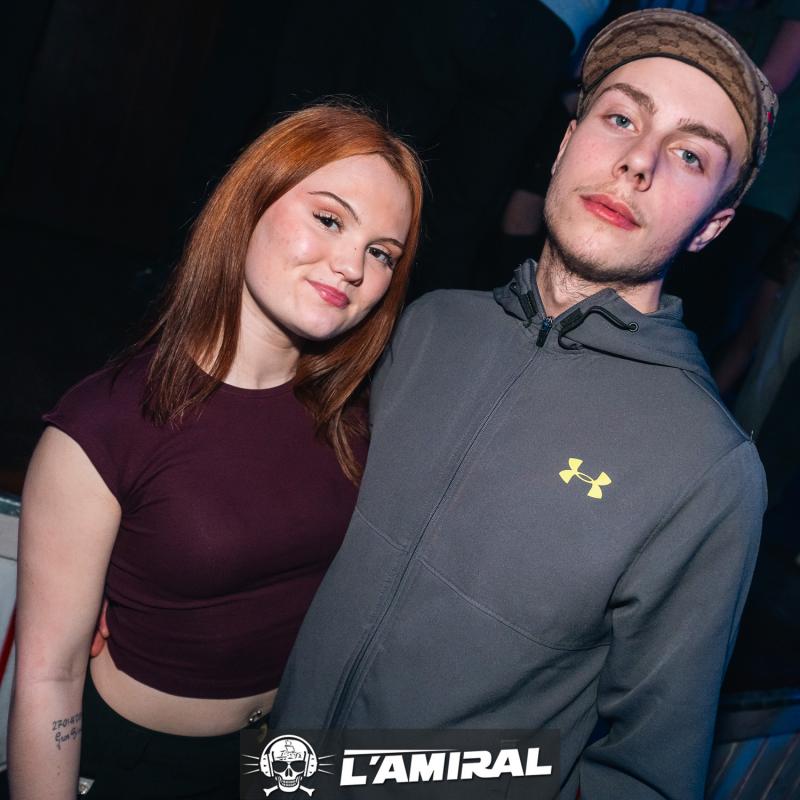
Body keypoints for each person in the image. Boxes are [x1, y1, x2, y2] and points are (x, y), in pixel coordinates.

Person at [270, 11, 776, 798]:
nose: (637, 162)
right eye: (620, 119)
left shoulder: (707, 470)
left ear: (713, 225)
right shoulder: (427, 325)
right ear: (565, 143)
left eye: (688, 154)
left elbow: (646, 776)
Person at [8, 103, 423, 800]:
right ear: (250, 204)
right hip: (137, 768)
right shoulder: (108, 422)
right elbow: (49, 677)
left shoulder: (360, 415)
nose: (352, 265)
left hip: (284, 761)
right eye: (330, 219)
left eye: (382, 252)